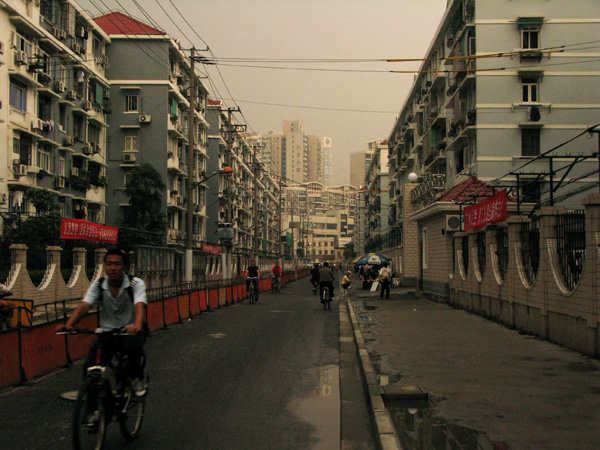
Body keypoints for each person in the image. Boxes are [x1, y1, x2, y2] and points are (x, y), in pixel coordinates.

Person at [56, 248, 148, 396]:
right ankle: (94, 411)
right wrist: (69, 324)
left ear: (124, 266)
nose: (112, 268)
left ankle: (137, 378)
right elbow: (85, 305)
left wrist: (137, 325)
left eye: (117, 264)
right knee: (90, 366)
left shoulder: (135, 284)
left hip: (130, 331)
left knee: (133, 348)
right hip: (108, 332)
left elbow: (139, 305)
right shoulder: (99, 285)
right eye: (109, 264)